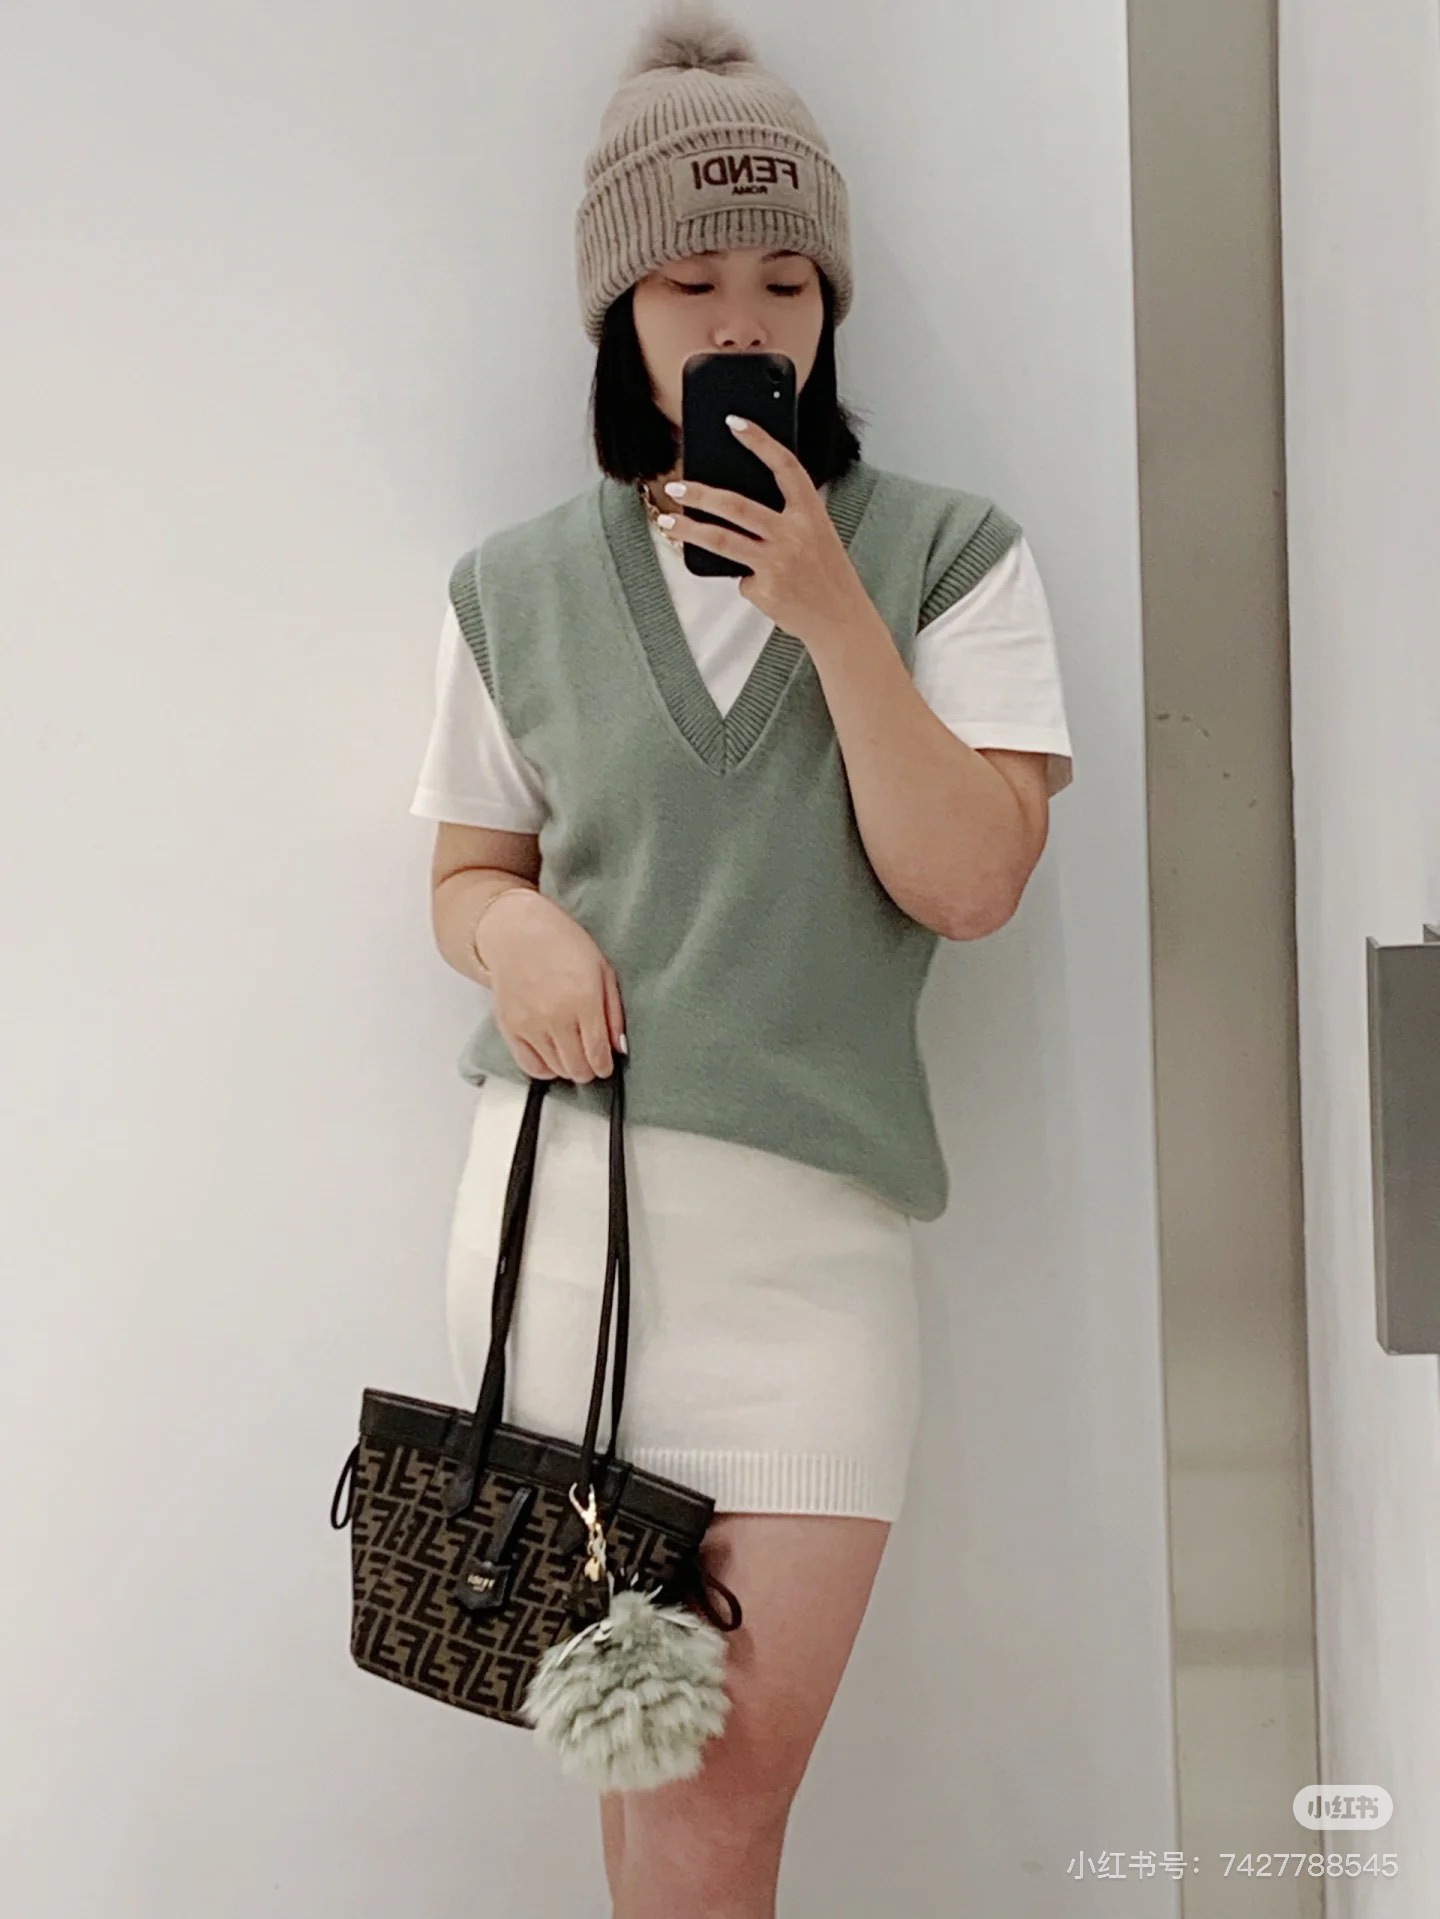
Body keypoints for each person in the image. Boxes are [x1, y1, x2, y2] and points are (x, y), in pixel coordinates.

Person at [409, 3, 1074, 1913]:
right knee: (644, 1792)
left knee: (716, 1796)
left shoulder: (949, 558)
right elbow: (464, 875)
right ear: (618, 311)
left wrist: (832, 615)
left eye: (785, 281)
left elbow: (972, 882)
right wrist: (515, 929)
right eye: (691, 282)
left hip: (810, 1277)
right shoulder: (514, 587)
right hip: (559, 1245)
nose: (742, 322)